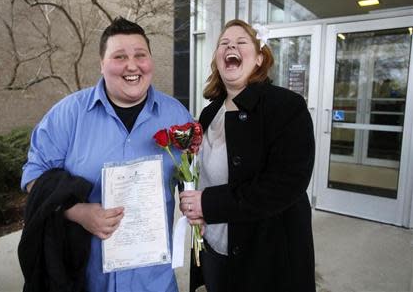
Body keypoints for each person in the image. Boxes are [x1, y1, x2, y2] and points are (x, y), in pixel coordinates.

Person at [20, 17, 192, 292]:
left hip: (155, 281)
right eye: (119, 56)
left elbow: (193, 173)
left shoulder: (178, 117)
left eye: (140, 55)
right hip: (87, 280)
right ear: (102, 64)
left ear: (151, 61)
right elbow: (34, 176)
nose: (132, 65)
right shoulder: (68, 115)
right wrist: (77, 212)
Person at [179, 19, 316, 292]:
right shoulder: (209, 114)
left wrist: (209, 204)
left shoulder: (286, 107)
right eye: (224, 43)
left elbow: (285, 184)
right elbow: (197, 172)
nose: (231, 46)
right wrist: (194, 206)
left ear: (259, 58)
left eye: (241, 42)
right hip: (214, 250)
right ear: (218, 59)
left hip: (266, 260)